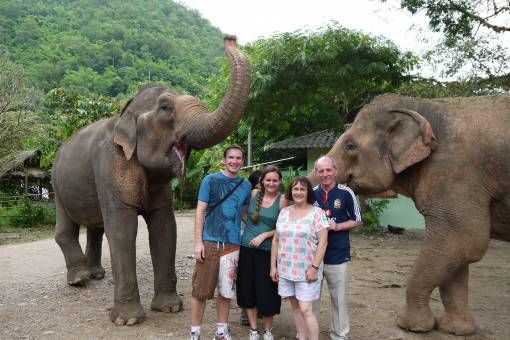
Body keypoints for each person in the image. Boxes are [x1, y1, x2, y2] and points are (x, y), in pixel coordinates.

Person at [190, 145, 252, 340]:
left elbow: (244, 214)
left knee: (226, 290)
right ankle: (195, 331)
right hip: (210, 242)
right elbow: (200, 211)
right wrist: (198, 242)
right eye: (231, 158)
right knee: (200, 290)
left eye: (239, 158)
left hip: (233, 244)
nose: (234, 161)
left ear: (243, 161)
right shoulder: (210, 180)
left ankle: (221, 330)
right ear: (224, 160)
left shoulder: (245, 185)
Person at [270, 176, 329, 340]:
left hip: (307, 269)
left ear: (308, 192)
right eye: (295, 189)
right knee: (295, 307)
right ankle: (301, 336)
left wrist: (315, 267)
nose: (298, 192)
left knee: (305, 309)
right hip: (286, 268)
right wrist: (273, 266)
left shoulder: (317, 213)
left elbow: (323, 243)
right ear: (291, 191)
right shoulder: (284, 212)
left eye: (302, 189)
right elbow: (276, 240)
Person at [313, 156, 362, 340]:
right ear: (316, 173)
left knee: (339, 299)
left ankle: (340, 336)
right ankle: (310, 334)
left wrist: (337, 226)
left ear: (335, 171)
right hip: (314, 256)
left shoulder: (346, 192)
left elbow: (357, 220)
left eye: (328, 170)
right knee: (311, 299)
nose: (325, 174)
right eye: (321, 171)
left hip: (338, 254)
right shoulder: (311, 193)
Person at [237, 166, 287, 340]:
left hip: (268, 252)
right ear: (262, 182)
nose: (271, 183)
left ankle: (267, 331)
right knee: (247, 289)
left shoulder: (282, 201)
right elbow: (244, 212)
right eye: (268, 180)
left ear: (280, 181)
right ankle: (253, 329)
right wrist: (249, 229)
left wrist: (265, 234)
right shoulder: (253, 195)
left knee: (267, 292)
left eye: (275, 180)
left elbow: (285, 227)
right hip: (246, 249)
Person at [240, 169, 263, 327]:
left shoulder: (272, 196)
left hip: (258, 240)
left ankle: (253, 311)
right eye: (262, 180)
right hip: (250, 239)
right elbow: (244, 214)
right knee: (249, 277)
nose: (265, 183)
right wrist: (256, 229)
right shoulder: (253, 193)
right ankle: (246, 313)